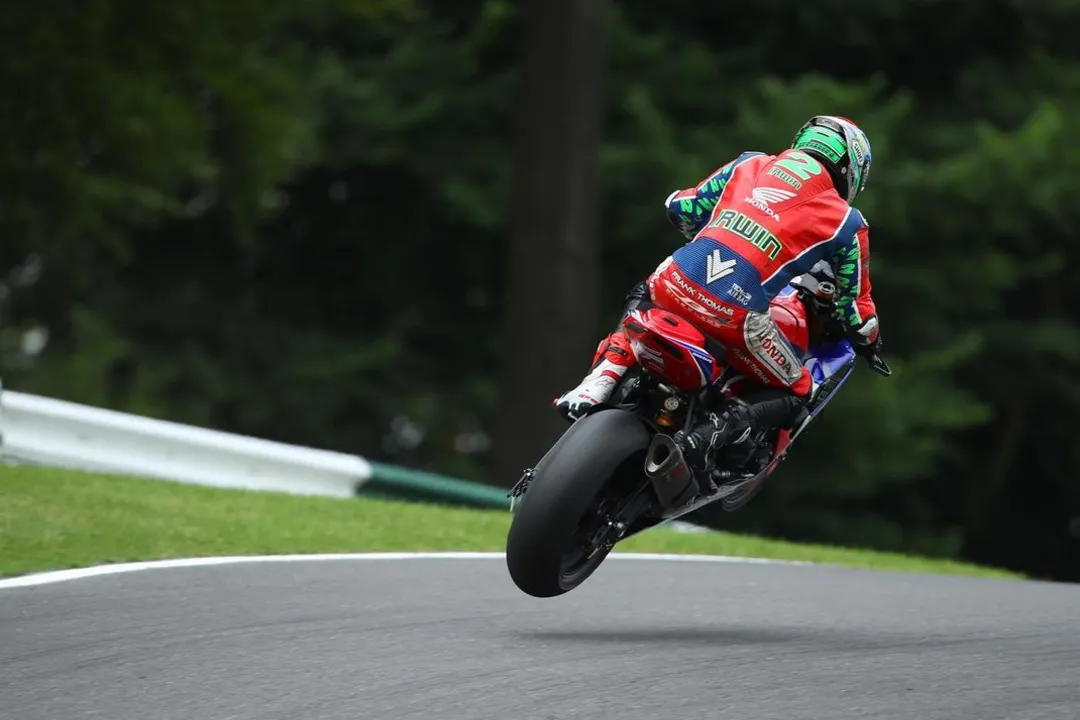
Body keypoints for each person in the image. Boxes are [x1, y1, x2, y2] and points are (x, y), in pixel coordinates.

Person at [554, 115, 883, 475]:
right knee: (800, 393)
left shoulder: (750, 163)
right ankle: (707, 435)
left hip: (673, 280)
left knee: (644, 292)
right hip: (737, 318)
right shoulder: (847, 221)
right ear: (850, 169)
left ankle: (603, 373)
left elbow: (681, 208)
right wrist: (869, 342)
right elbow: (856, 310)